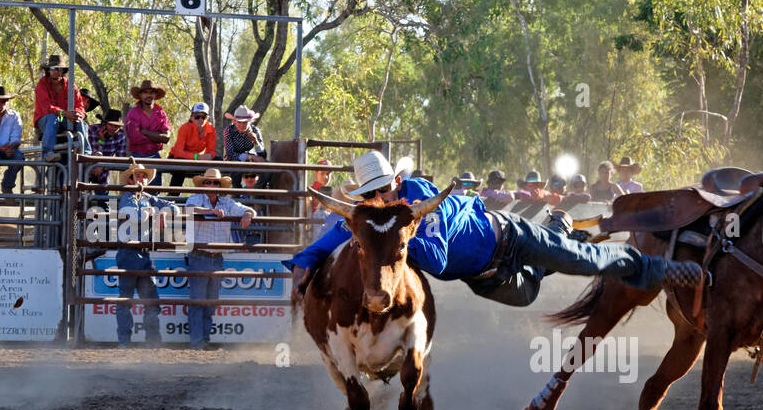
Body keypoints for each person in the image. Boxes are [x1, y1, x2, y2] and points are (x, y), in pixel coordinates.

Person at [285, 150, 702, 308]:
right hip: (485, 276)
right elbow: (338, 236)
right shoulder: (375, 220)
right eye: (370, 194)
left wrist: (399, 235)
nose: (378, 198)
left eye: (382, 188)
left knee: (584, 262)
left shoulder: (421, 196)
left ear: (395, 182)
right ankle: (562, 228)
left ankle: (656, 270)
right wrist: (303, 262)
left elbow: (440, 256)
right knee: (528, 294)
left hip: (509, 234)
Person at [183, 168, 255, 350]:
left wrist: (248, 214)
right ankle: (197, 342)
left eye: (215, 182)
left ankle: (203, 340)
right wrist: (210, 211)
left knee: (210, 302)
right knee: (199, 301)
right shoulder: (196, 199)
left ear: (219, 185)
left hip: (217, 258)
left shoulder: (227, 202)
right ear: (203, 184)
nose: (212, 185)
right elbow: (188, 209)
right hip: (199, 256)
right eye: (208, 182)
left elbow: (247, 209)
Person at [114, 160, 177, 346]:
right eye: (137, 176)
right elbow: (135, 216)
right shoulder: (128, 197)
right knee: (128, 300)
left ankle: (150, 340)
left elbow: (174, 207)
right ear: (131, 179)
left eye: (143, 176)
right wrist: (152, 213)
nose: (141, 179)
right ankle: (128, 340)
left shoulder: (148, 198)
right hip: (129, 253)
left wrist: (163, 212)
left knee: (149, 300)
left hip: (142, 255)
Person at [33, 56, 88, 162]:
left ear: (63, 71)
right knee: (52, 117)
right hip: (46, 121)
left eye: (59, 69)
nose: (56, 72)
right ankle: (48, 153)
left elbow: (80, 106)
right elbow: (47, 107)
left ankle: (86, 153)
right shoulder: (42, 84)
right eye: (54, 68)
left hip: (64, 121)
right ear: (48, 70)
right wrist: (64, 113)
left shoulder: (71, 86)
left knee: (80, 122)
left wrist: (78, 114)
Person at [125, 79, 170, 185]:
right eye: (145, 92)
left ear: (155, 95)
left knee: (155, 190)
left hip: (155, 156)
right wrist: (157, 137)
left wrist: (145, 132)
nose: (149, 95)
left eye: (152, 92)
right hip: (137, 156)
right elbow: (135, 137)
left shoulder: (161, 113)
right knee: (137, 188)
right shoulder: (133, 113)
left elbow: (166, 138)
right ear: (140, 95)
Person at [167, 101, 216, 186]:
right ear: (192, 117)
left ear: (207, 118)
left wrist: (209, 156)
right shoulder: (184, 128)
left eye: (203, 117)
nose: (200, 119)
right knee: (181, 163)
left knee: (218, 161)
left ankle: (211, 194)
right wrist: (197, 157)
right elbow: (178, 153)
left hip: (196, 160)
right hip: (177, 158)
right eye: (197, 117)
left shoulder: (211, 129)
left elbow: (211, 151)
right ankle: (173, 195)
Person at [86, 109, 127, 198]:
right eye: (111, 125)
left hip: (103, 173)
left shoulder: (120, 136)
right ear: (104, 124)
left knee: (103, 201)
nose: (113, 128)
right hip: (86, 170)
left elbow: (121, 159)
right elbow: (90, 152)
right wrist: (101, 140)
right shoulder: (92, 130)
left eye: (116, 126)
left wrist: (102, 166)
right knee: (81, 199)